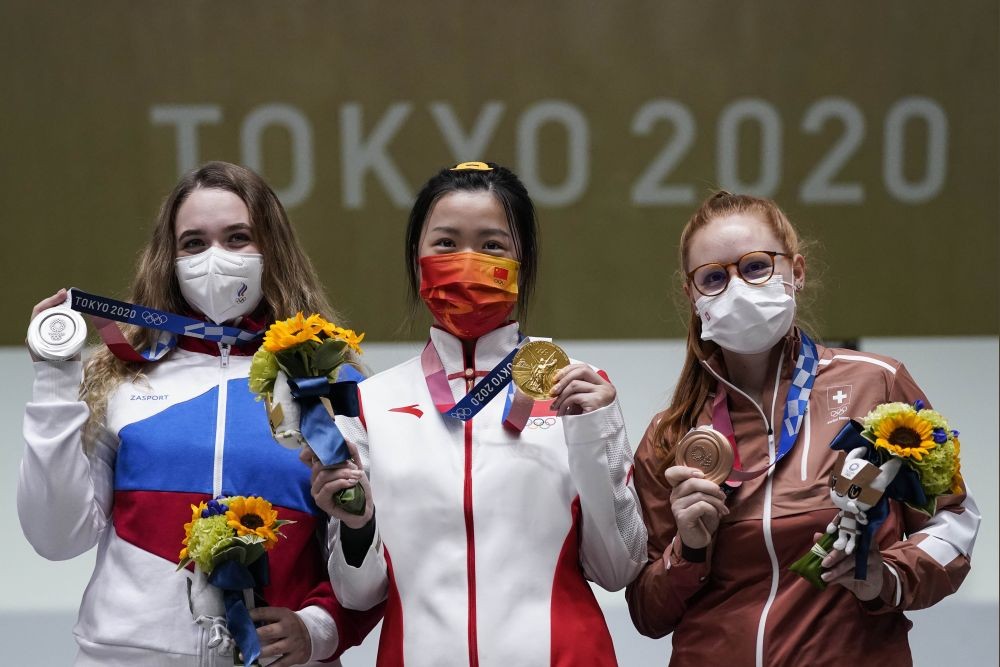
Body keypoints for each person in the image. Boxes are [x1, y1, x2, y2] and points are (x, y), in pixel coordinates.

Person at [17, 161, 380, 666]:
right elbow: (56, 536)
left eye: (238, 238)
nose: (215, 258)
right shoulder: (121, 376)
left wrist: (318, 631)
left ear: (273, 249)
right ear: (168, 258)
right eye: (193, 243)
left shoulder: (329, 380)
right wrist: (55, 381)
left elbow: (370, 558)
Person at [301, 161, 647, 666]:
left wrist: (596, 432)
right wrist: (356, 523)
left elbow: (619, 567)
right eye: (445, 244)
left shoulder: (579, 388)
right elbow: (358, 593)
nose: (467, 262)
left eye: (491, 245)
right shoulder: (369, 405)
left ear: (521, 260)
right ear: (417, 258)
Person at [625, 191, 980, 666]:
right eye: (714, 277)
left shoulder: (876, 383)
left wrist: (885, 577)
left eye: (755, 267)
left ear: (797, 271)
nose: (736, 287)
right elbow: (647, 613)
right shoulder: (674, 436)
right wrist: (688, 549)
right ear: (693, 296)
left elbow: (954, 518)